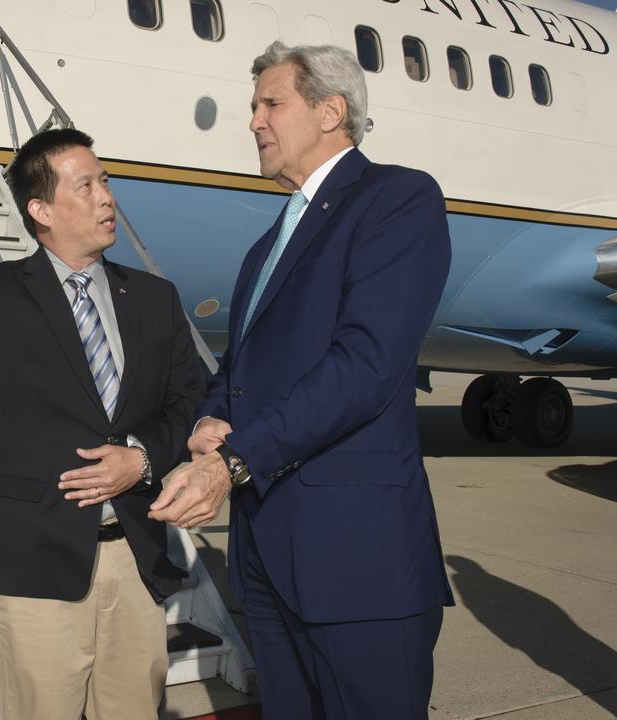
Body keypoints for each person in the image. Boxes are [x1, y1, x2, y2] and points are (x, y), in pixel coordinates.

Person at [149, 42, 455, 719]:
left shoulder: (397, 200)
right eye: (253, 106)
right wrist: (209, 420)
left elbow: (365, 365)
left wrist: (232, 463)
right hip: (266, 560)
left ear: (329, 112)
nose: (254, 121)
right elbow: (239, 372)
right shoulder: (269, 244)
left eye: (270, 103)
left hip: (356, 564)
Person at [0, 128, 204, 720]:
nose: (107, 197)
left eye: (105, 181)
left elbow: (187, 398)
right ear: (40, 210)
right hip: (35, 560)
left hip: (134, 557)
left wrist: (142, 457)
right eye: (87, 185)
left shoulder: (154, 298)